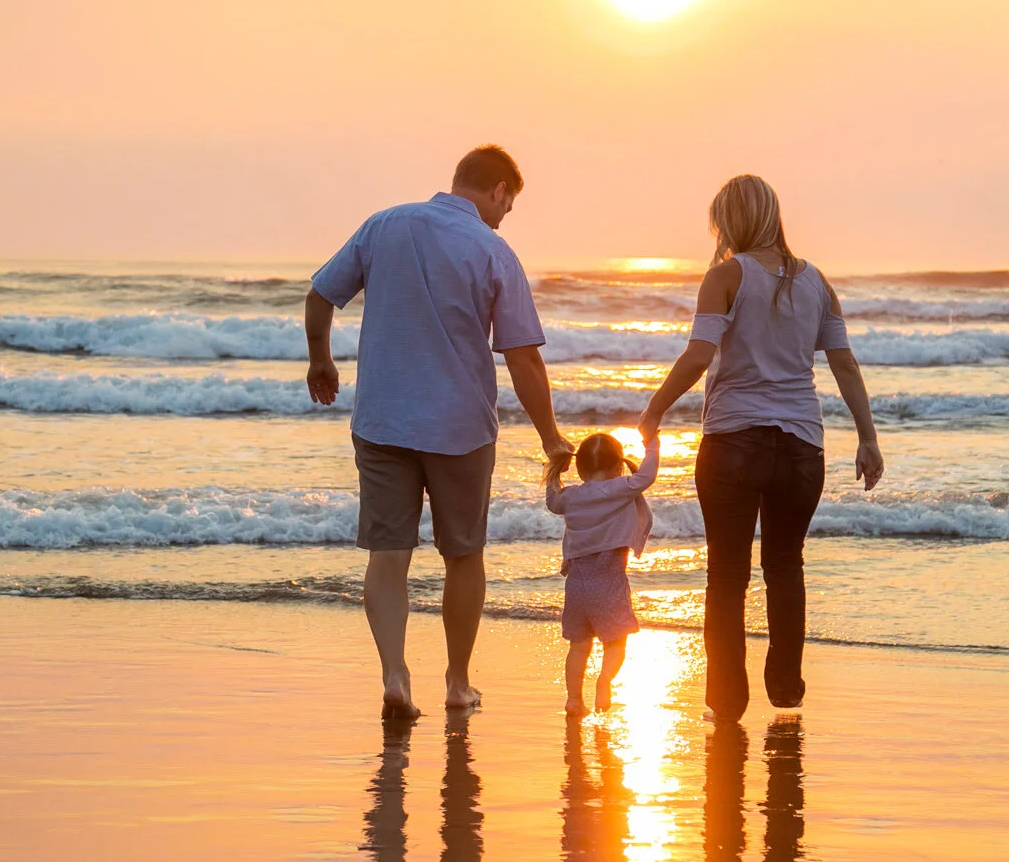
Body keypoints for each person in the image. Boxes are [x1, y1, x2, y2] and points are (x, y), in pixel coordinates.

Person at [306, 145, 573, 719]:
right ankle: (456, 681)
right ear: (499, 189)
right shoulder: (492, 249)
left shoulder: (384, 225)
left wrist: (320, 361)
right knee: (463, 555)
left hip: (382, 420)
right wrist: (550, 436)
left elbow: (321, 294)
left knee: (388, 553)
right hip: (460, 427)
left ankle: (395, 675)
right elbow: (523, 358)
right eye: (509, 203)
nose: (505, 215)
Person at [637, 174, 883, 721]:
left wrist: (654, 410)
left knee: (726, 574)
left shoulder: (725, 276)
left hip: (733, 441)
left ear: (730, 220)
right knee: (785, 565)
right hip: (801, 447)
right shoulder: (817, 281)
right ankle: (786, 687)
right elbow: (843, 362)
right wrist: (867, 437)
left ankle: (726, 700)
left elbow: (700, 354)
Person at [544, 430, 658, 715]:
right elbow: (646, 477)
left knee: (578, 647)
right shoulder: (620, 488)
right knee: (616, 642)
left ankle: (573, 700)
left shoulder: (570, 497)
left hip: (577, 586)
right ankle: (604, 682)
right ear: (618, 465)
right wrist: (652, 445)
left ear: (580, 468)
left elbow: (552, 502)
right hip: (610, 581)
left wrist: (554, 471)